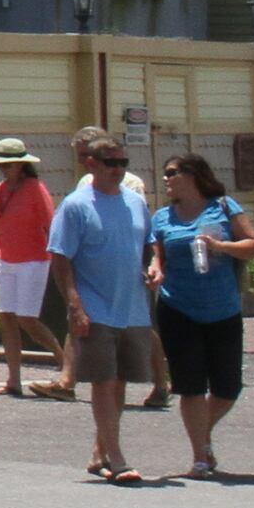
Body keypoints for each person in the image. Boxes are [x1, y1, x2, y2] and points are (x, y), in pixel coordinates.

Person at [44, 137, 161, 481]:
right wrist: (75, 306)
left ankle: (100, 452)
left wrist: (156, 264)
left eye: (123, 162)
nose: (119, 170)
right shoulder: (77, 206)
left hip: (133, 307)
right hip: (95, 309)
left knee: (120, 382)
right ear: (90, 164)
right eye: (111, 163)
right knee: (103, 382)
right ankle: (117, 459)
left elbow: (151, 242)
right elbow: (60, 258)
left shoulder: (135, 203)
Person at [147, 152, 254, 479]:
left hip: (223, 308)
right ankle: (200, 456)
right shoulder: (162, 218)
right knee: (191, 386)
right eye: (165, 174)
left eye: (172, 172)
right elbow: (159, 259)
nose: (166, 179)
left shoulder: (224, 207)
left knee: (228, 387)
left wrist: (221, 247)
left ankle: (202, 433)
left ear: (193, 174)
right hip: (178, 308)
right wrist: (155, 272)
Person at [0, 136, 64, 400]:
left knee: (26, 319)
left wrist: (59, 259)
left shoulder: (35, 188)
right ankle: (13, 380)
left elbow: (50, 225)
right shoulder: (0, 189)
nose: (4, 169)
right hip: (6, 259)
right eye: (2, 164)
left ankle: (64, 360)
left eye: (10, 164)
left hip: (33, 260)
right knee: (6, 316)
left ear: (22, 165)